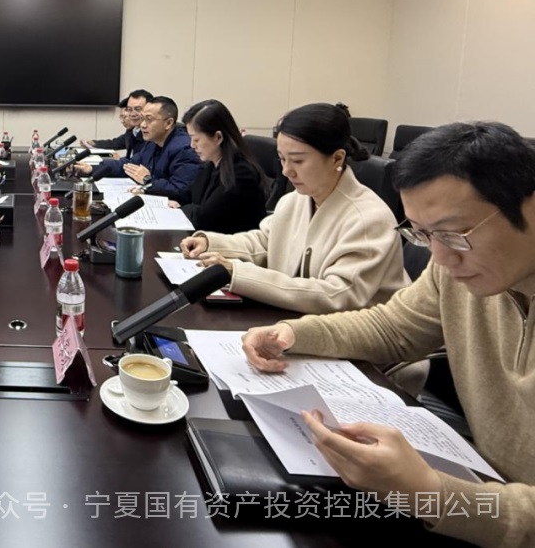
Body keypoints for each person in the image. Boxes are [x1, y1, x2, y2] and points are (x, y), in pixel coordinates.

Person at [242, 122, 535, 547]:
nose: (440, 257)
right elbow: (392, 327)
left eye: (454, 234)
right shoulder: (454, 269)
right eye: (423, 235)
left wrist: (428, 493)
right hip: (479, 480)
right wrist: (292, 332)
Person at [181, 102, 407, 313]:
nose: (286, 171)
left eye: (297, 160)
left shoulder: (369, 219)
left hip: (355, 337)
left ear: (337, 158)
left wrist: (238, 273)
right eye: (282, 159)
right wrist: (212, 243)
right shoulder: (295, 200)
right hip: (298, 320)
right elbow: (265, 242)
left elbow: (336, 295)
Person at [170, 100, 267, 234]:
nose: (192, 145)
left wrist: (180, 209)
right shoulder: (211, 164)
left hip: (231, 243)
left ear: (218, 137)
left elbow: (204, 218)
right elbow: (191, 196)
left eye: (196, 139)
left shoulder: (241, 174)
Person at [76, 96, 200, 199]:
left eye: (149, 120)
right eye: (143, 119)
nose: (143, 125)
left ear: (168, 123)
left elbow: (181, 190)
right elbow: (128, 165)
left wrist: (147, 180)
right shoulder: (152, 141)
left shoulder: (185, 148)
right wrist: (92, 168)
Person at [84, 89, 152, 156]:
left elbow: (140, 161)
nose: (133, 114)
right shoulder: (133, 131)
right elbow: (114, 143)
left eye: (138, 109)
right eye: (129, 109)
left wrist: (121, 160)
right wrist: (94, 143)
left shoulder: (151, 134)